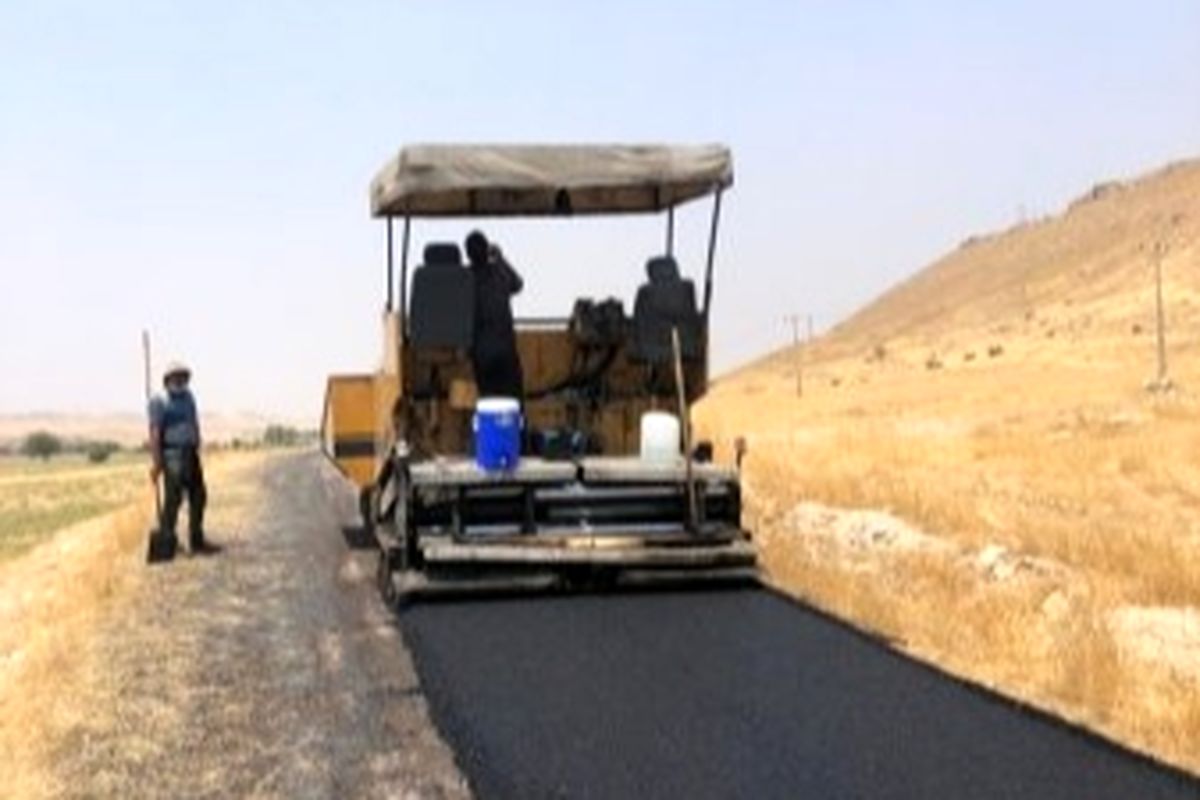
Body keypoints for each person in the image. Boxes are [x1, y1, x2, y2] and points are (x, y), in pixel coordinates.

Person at [148, 361, 217, 555]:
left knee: (199, 496)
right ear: (168, 379)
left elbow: (194, 421)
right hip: (171, 454)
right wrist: (157, 462)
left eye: (183, 377)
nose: (180, 380)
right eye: (176, 377)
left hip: (190, 452)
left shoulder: (188, 397)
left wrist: (197, 440)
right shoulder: (158, 401)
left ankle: (197, 540)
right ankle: (168, 540)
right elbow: (155, 432)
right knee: (173, 499)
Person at [465, 230, 525, 399]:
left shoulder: (464, 279)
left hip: (481, 355)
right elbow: (518, 284)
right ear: (487, 250)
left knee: (489, 400)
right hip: (506, 352)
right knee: (514, 400)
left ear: (468, 255)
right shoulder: (500, 273)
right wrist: (500, 258)